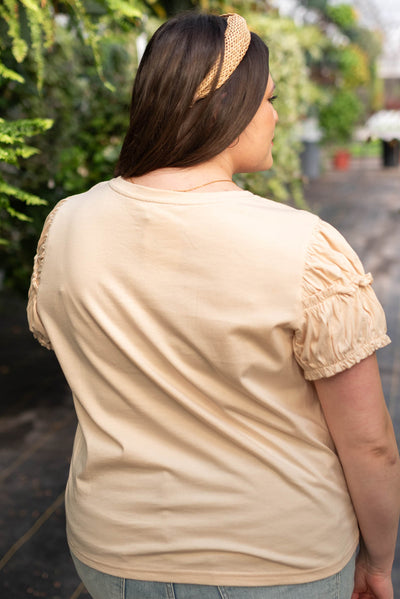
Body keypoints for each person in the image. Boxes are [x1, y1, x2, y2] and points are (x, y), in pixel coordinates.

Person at [27, 11, 400, 599]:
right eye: (269, 99)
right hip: (278, 562)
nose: (279, 116)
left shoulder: (66, 225)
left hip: (113, 554)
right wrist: (379, 562)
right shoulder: (305, 246)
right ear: (227, 105)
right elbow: (370, 442)